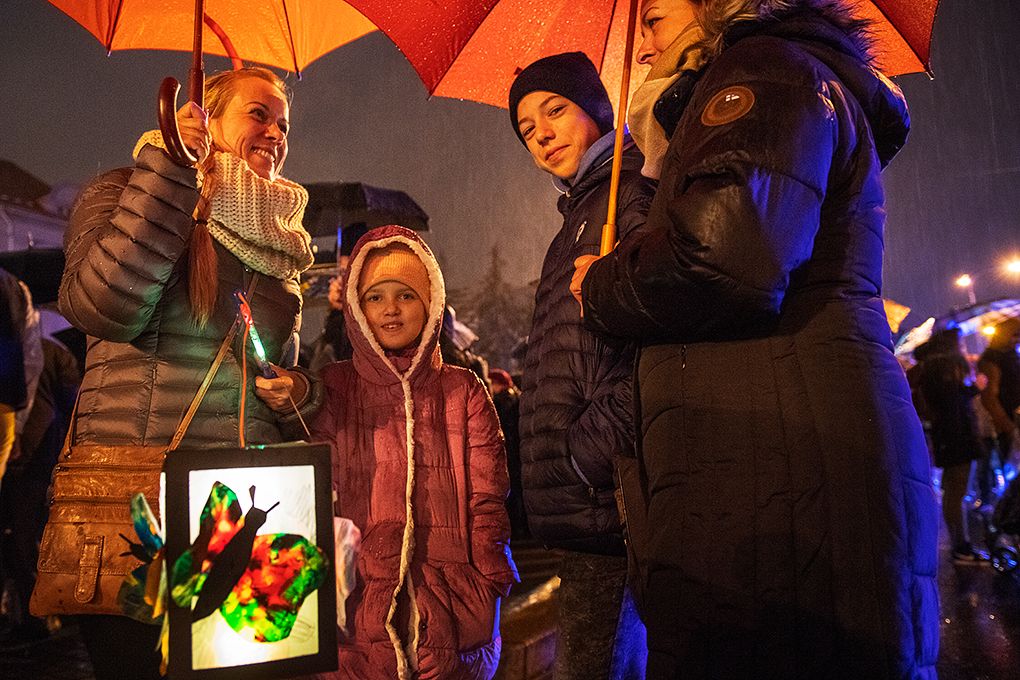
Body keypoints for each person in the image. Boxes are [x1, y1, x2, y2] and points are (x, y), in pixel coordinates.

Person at [573, 1, 939, 677]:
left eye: (654, 16)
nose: (642, 41)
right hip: (765, 468)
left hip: (781, 474)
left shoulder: (764, 73)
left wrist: (602, 283)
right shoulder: (760, 81)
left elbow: (725, 256)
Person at [47, 66, 314, 679]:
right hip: (140, 504)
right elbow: (103, 306)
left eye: (284, 122)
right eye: (258, 114)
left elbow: (276, 369)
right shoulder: (124, 189)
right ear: (209, 121)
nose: (275, 132)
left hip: (241, 511)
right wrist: (171, 171)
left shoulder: (280, 240)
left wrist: (298, 389)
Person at [259, 225, 517, 680]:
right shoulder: (337, 387)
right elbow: (315, 498)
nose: (391, 309)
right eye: (375, 297)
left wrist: (482, 593)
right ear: (357, 307)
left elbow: (488, 506)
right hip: (355, 611)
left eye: (406, 295)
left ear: (431, 303)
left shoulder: (463, 391)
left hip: (452, 613)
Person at [509, 52, 655, 680]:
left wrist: (588, 450)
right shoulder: (579, 217)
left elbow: (654, 345)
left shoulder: (630, 202)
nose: (540, 133)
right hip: (586, 504)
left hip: (607, 495)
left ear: (597, 110)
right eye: (526, 128)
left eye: (555, 110)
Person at [917, 329, 987, 564]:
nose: (964, 348)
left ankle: (961, 545)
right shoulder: (945, 367)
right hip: (958, 438)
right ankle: (962, 547)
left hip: (948, 437)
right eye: (961, 344)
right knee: (956, 493)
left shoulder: (931, 366)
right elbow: (952, 403)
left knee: (952, 493)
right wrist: (975, 387)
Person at [978, 317, 1020, 464]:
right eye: (1014, 334)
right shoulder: (992, 358)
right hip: (1010, 422)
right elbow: (989, 397)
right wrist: (1008, 427)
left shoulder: (1011, 354)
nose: (1017, 339)